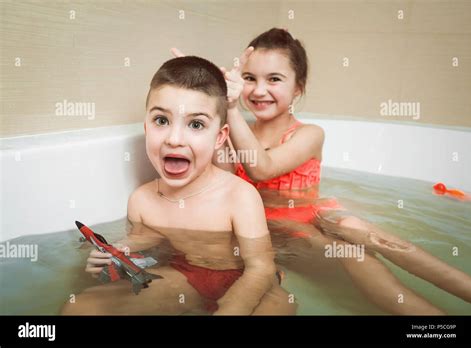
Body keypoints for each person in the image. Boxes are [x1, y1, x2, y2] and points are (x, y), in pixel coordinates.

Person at [173, 27, 471, 314]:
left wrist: (232, 108)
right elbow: (224, 179)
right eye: (249, 78)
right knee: (353, 256)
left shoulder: (309, 134)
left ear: (298, 88)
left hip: (313, 213)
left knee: (357, 226)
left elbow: (261, 169)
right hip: (278, 228)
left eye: (274, 79)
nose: (259, 89)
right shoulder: (232, 130)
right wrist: (206, 96)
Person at [61, 55, 296, 315]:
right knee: (82, 308)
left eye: (196, 124)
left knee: (280, 306)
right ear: (146, 127)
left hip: (247, 281)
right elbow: (145, 243)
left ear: (219, 138)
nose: (175, 139)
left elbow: (260, 267)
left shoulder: (239, 196)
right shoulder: (142, 200)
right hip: (187, 277)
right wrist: (112, 256)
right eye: (161, 121)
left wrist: (231, 309)